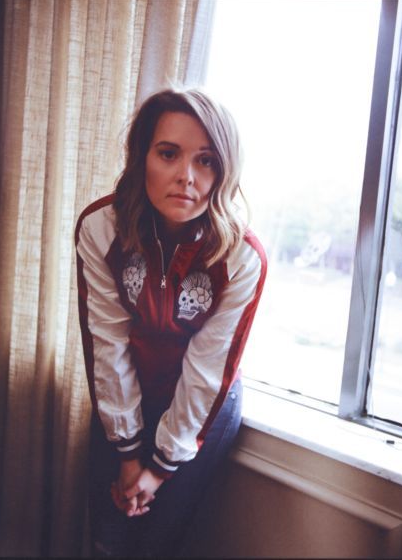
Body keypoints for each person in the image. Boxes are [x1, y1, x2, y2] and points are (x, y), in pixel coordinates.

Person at [75, 87, 267, 557]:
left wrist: (159, 468)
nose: (187, 176)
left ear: (225, 171)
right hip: (126, 386)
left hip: (204, 403)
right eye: (168, 153)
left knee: (160, 540)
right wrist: (127, 454)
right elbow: (108, 341)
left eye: (206, 161)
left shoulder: (242, 258)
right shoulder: (100, 228)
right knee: (108, 533)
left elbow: (208, 370)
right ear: (142, 156)